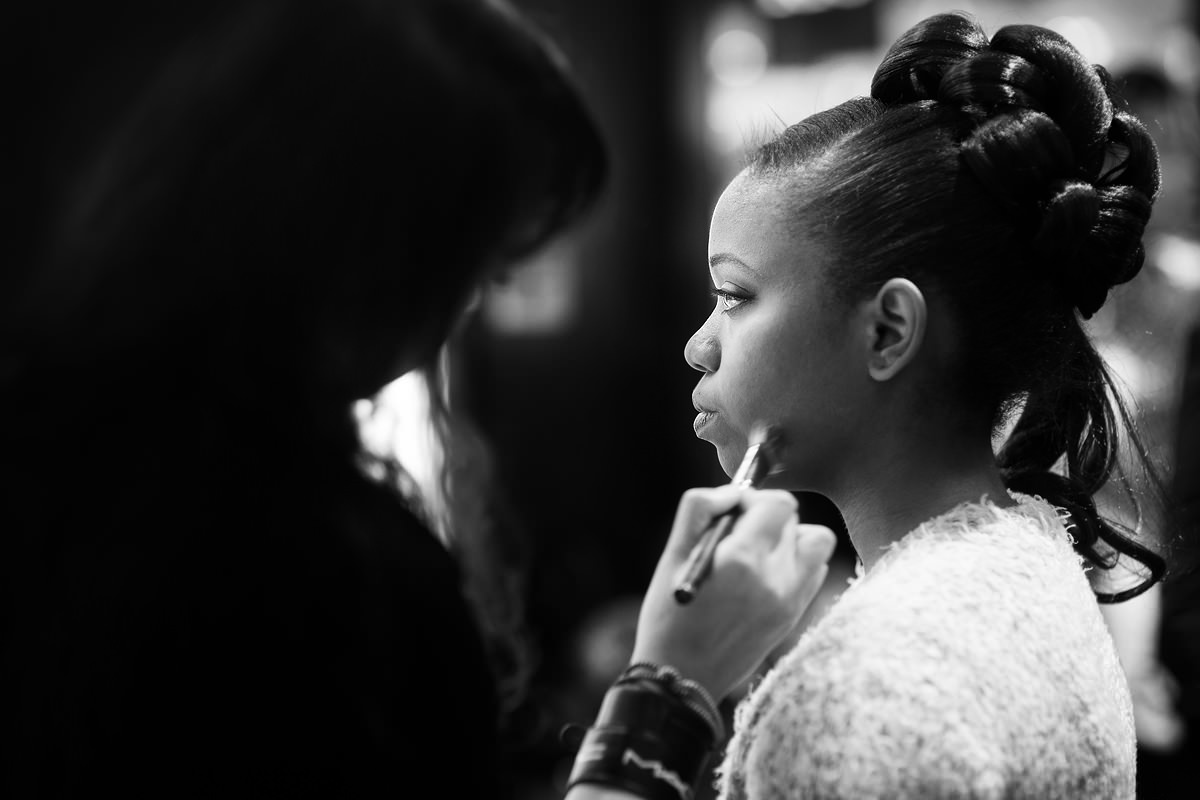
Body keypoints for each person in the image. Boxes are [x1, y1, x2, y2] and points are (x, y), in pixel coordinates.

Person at [0, 1, 839, 797]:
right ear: (363, 254)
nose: (462, 310)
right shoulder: (294, 576)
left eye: (734, 296)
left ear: (887, 333)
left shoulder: (69, 457)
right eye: (471, 266)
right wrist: (666, 689)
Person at [562, 10, 1199, 800]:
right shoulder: (1029, 550)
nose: (699, 346)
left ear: (889, 329)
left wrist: (662, 691)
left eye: (733, 295)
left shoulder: (862, 698)